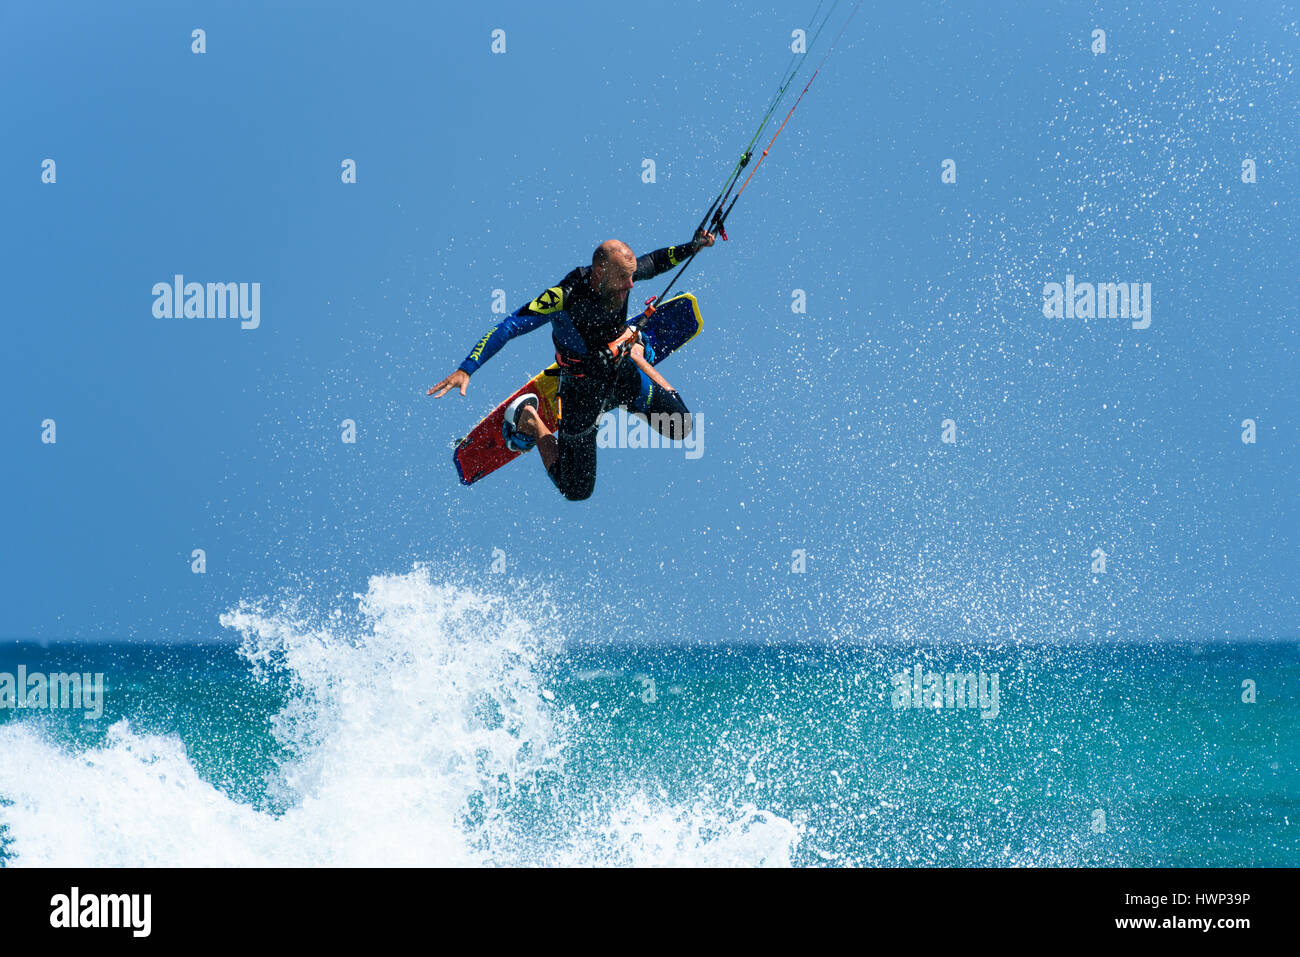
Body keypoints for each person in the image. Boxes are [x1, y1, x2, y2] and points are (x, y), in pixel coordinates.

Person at [428, 229, 715, 500]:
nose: (630, 285)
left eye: (631, 278)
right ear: (600, 272)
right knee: (576, 489)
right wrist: (467, 368)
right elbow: (510, 326)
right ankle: (529, 419)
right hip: (581, 392)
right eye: (624, 280)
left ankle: (638, 353)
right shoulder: (563, 297)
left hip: (620, 371)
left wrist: (693, 246)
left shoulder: (623, 275)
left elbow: (654, 261)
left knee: (682, 426)